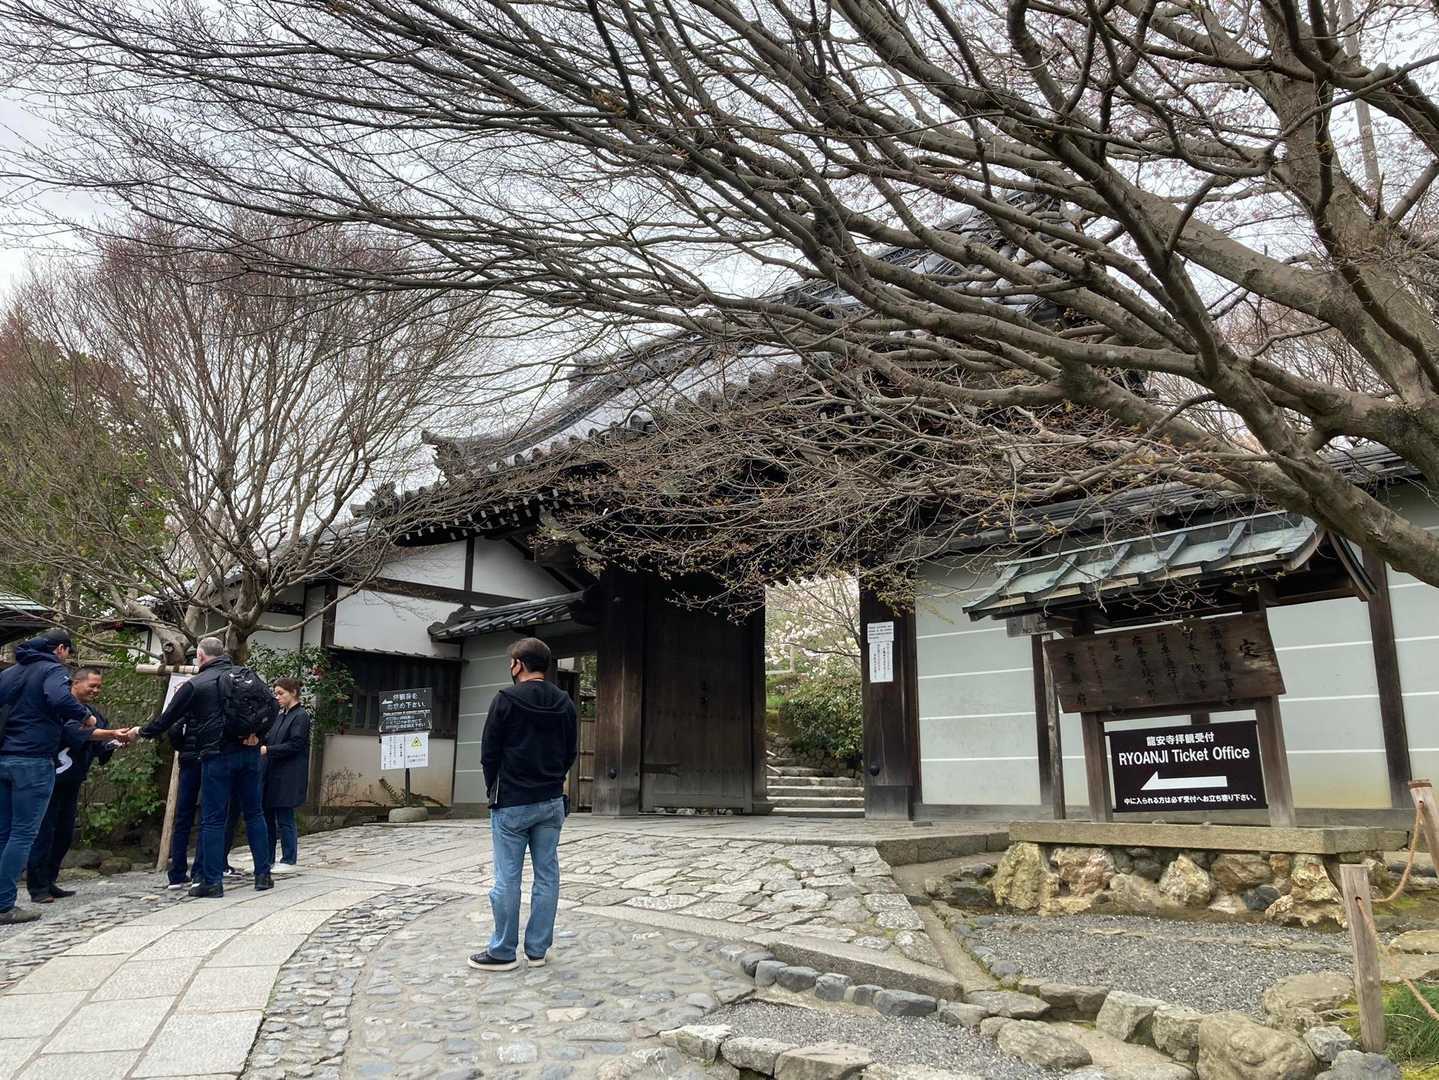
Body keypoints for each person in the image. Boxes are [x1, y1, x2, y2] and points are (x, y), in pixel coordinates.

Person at [0, 629, 131, 924]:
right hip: (33, 760)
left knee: (4, 833)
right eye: (69, 652)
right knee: (23, 834)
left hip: (5, 757)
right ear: (60, 649)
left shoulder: (10, 673)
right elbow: (60, 698)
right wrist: (86, 716)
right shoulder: (52, 670)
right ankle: (5, 903)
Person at [135, 636, 276, 897]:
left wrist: (139, 732)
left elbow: (166, 720)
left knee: (213, 818)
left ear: (200, 656)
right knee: (254, 813)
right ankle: (263, 874)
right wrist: (258, 735)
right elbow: (272, 706)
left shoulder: (196, 684)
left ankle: (211, 881)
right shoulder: (247, 676)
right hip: (249, 752)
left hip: (216, 754)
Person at [469, 637, 577, 972]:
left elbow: (489, 753)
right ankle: (537, 950)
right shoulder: (565, 702)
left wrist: (493, 789)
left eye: (511, 661)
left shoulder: (505, 699)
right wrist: (554, 779)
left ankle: (503, 951)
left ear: (518, 664)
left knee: (507, 878)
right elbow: (570, 752)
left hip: (512, 801)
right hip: (551, 800)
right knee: (547, 875)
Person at [26, 667, 119, 903]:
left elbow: (98, 745)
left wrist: (114, 742)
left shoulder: (94, 714)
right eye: (92, 686)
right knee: (44, 833)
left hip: (72, 779)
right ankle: (38, 886)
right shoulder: (61, 709)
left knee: (64, 833)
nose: (96, 691)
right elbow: (78, 734)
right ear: (75, 684)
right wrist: (110, 734)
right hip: (51, 777)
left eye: (99, 687)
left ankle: (50, 880)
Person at [262, 677, 311, 874]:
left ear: (293, 692)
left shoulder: (301, 716)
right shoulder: (280, 715)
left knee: (284, 817)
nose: (277, 697)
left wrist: (268, 750)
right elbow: (269, 737)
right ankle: (267, 858)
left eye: (281, 693)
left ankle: (289, 858)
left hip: (289, 773)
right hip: (272, 771)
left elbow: (296, 744)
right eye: (276, 693)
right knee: (267, 816)